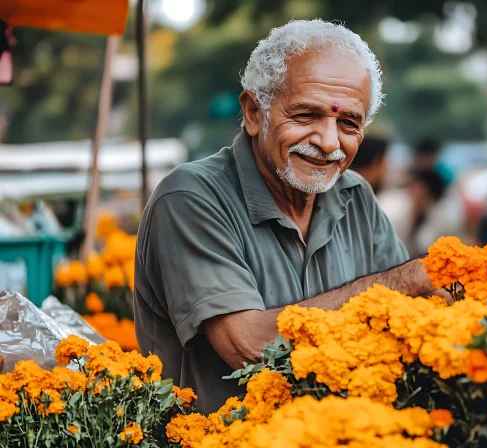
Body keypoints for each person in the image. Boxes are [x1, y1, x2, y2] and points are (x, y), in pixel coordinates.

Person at [133, 20, 445, 414]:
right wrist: (405, 281)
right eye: (306, 115)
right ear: (253, 113)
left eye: (349, 122)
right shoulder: (190, 197)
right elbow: (249, 348)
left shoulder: (355, 196)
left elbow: (408, 321)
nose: (329, 142)